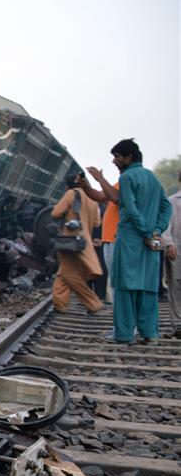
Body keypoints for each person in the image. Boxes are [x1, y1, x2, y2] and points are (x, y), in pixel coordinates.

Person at [109, 139, 172, 344]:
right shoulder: (152, 178)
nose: (114, 161)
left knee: (125, 287)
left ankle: (125, 334)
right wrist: (156, 230)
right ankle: (150, 334)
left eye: (117, 156)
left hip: (131, 239)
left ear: (129, 157)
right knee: (148, 287)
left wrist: (145, 232)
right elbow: (166, 207)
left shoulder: (127, 177)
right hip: (151, 242)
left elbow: (130, 208)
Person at [51, 172, 103, 314]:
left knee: (68, 274)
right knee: (65, 272)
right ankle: (60, 303)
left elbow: (56, 213)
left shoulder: (71, 194)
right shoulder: (93, 199)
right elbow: (98, 222)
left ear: (68, 185)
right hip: (85, 242)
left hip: (70, 240)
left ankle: (93, 303)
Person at [81, 167, 120, 303]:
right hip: (93, 242)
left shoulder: (108, 206)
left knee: (104, 272)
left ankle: (102, 296)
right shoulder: (88, 208)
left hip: (106, 241)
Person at [160, 170, 181, 337]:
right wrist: (168, 244)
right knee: (176, 287)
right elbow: (164, 226)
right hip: (177, 250)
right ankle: (178, 325)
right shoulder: (172, 202)